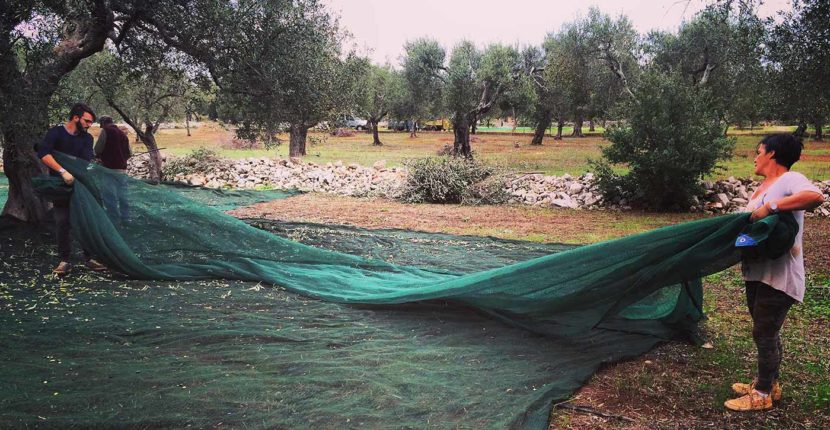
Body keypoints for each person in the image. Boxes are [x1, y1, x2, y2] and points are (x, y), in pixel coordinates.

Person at [725, 134, 825, 411]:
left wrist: (771, 206)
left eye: (758, 151)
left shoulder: (789, 179)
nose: (755, 158)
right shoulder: (762, 188)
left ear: (771, 154)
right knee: (766, 330)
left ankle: (762, 393)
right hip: (758, 272)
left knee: (764, 332)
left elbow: (815, 197)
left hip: (780, 275)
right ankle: (770, 383)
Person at [37, 103, 107, 276]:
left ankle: (89, 257)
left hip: (80, 186)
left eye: (91, 122)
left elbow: (83, 161)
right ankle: (64, 260)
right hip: (59, 186)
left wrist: (76, 173)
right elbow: (44, 154)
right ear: (76, 117)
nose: (89, 125)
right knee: (62, 221)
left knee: (85, 221)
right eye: (87, 121)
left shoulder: (87, 138)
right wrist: (62, 171)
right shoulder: (55, 133)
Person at [95, 116, 132, 221]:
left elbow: (97, 149)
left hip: (108, 169)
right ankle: (126, 218)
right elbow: (129, 153)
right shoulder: (123, 134)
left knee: (109, 196)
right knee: (123, 195)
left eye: (101, 124)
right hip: (122, 170)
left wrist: (100, 157)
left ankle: (113, 218)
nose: (101, 127)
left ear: (103, 123)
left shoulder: (106, 131)